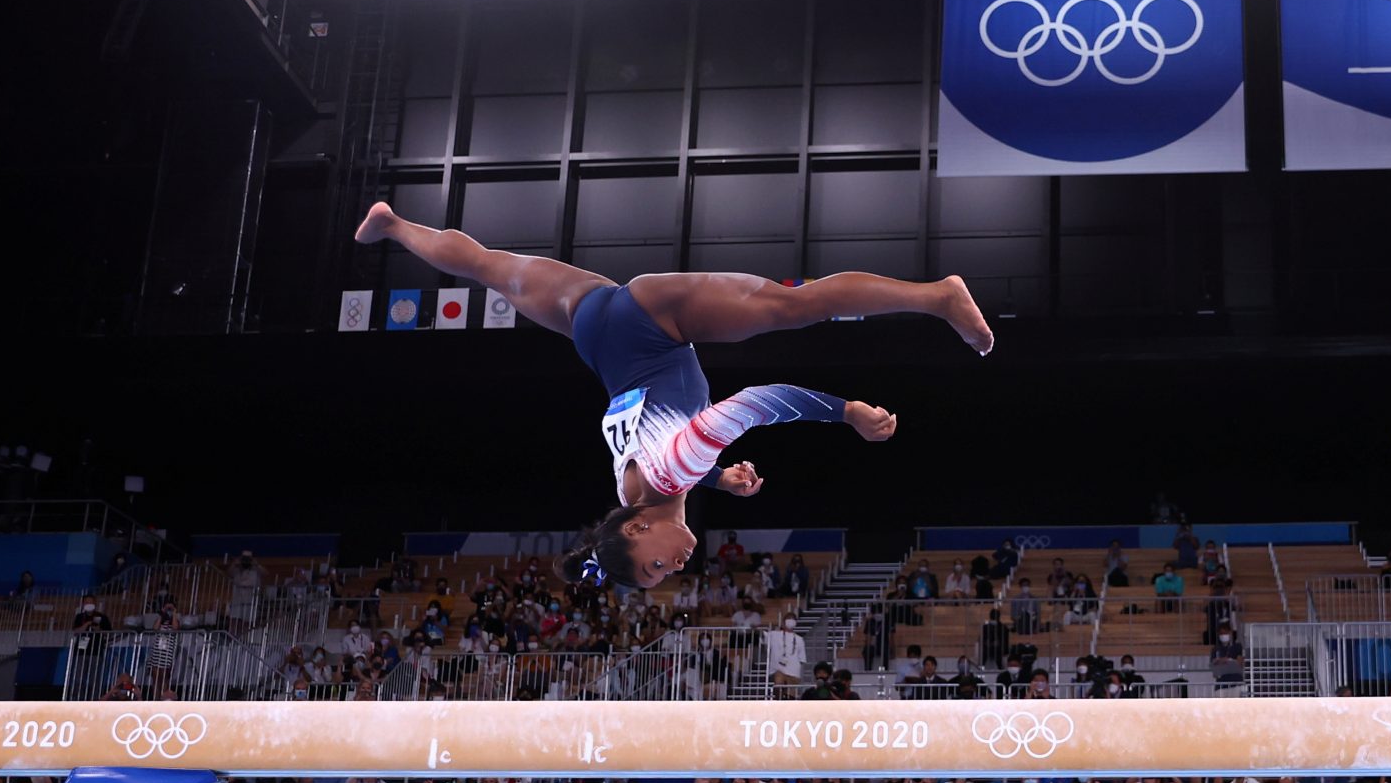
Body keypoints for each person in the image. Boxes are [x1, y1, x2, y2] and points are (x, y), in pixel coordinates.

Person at [356, 202, 987, 592]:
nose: (673, 569)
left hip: (653, 323)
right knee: (488, 266)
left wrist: (845, 412)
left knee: (794, 306)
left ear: (636, 529)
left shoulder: (671, 470)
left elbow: (762, 400)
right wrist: (715, 479)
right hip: (594, 329)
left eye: (654, 567)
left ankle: (937, 296)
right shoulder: (636, 488)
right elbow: (670, 464)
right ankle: (394, 223)